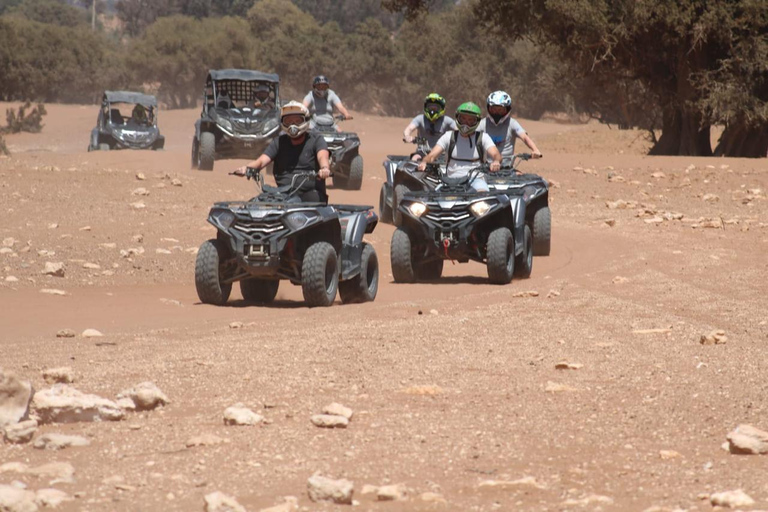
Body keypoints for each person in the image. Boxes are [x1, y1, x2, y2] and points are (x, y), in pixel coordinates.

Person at [234, 101, 331, 202]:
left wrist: (324, 169)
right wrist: (247, 168)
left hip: (310, 194)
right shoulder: (279, 142)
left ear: (306, 120)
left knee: (309, 200)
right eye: (288, 121)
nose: (292, 125)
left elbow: (323, 156)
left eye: (297, 121)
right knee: (255, 203)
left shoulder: (316, 140)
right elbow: (261, 161)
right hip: (283, 194)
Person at [418, 102, 501, 192]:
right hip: (450, 181)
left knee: (483, 194)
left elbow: (496, 154)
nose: (466, 123)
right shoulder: (448, 136)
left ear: (476, 121)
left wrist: (496, 161)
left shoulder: (483, 137)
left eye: (470, 120)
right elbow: (431, 156)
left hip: (476, 179)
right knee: (432, 196)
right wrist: (424, 162)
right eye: (463, 119)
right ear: (457, 118)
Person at [478, 91, 542, 166]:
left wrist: (535, 149)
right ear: (489, 108)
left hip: (507, 167)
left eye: (500, 110)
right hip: (487, 167)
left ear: (507, 109)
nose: (496, 113)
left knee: (521, 174)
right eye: (494, 109)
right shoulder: (483, 123)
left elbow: (524, 137)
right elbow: (470, 135)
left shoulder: (512, 123)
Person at [402, 93, 457, 160]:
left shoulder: (447, 120)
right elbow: (409, 129)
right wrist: (407, 136)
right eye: (430, 107)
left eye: (436, 108)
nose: (432, 110)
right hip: (422, 152)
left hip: (441, 153)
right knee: (415, 158)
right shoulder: (420, 118)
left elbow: (458, 129)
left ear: (441, 108)